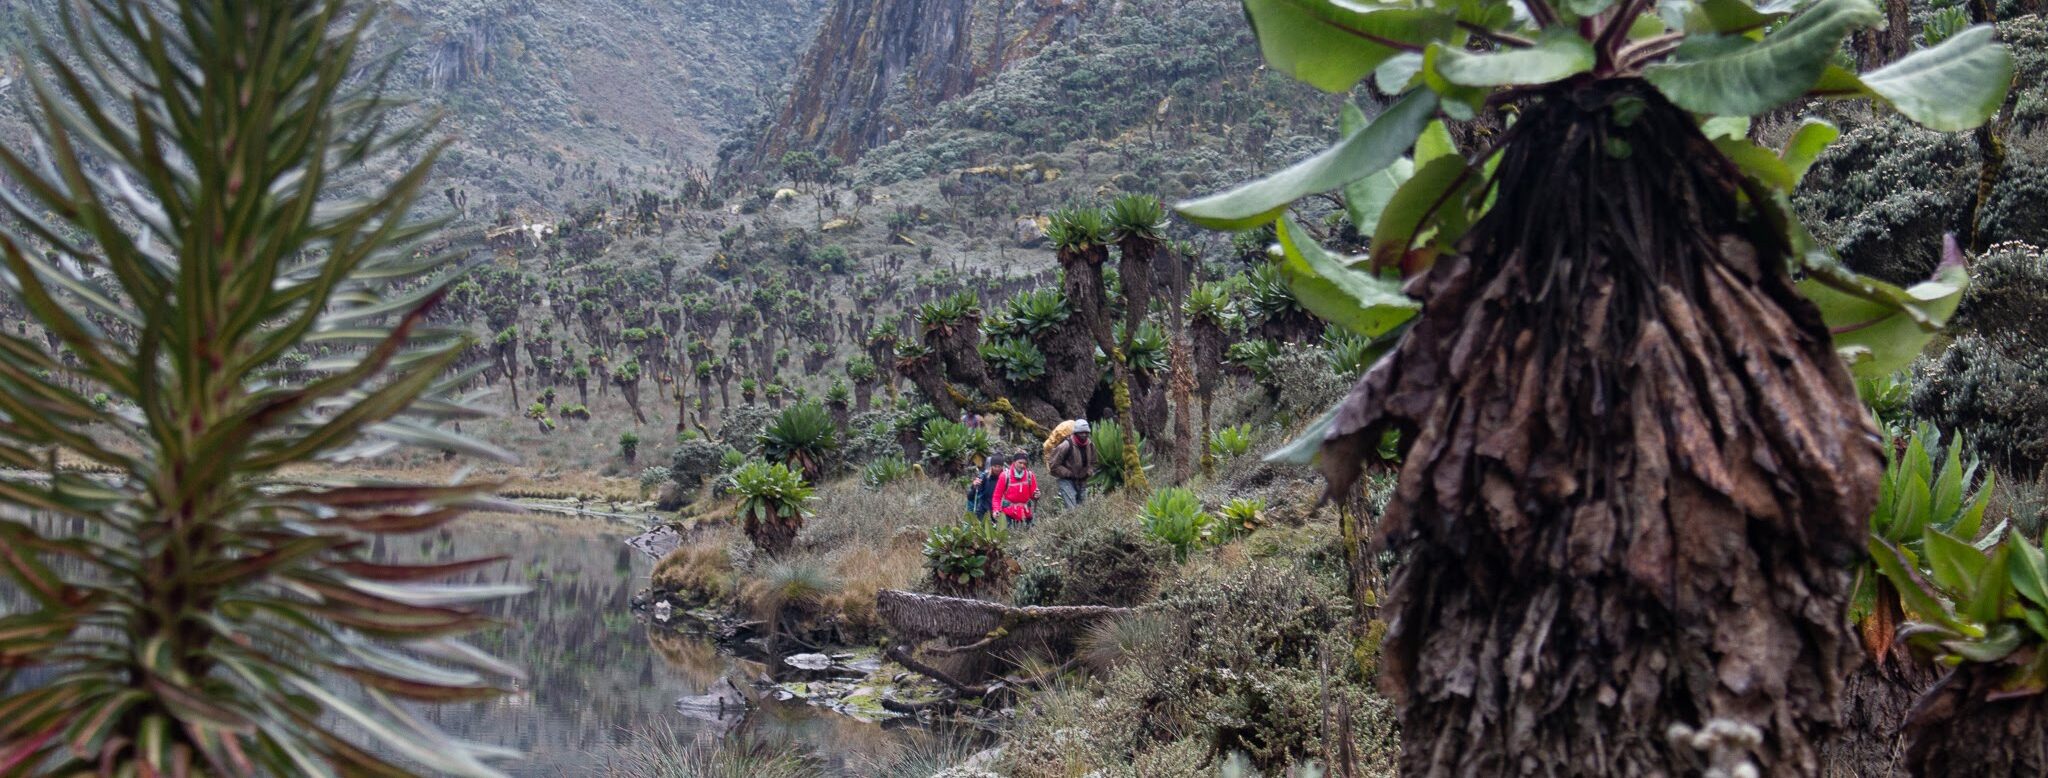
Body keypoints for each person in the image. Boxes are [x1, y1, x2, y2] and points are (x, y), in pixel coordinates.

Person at [1049, 419, 1097, 509]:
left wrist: (1088, 472)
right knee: (1072, 509)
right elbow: (1053, 465)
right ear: (1075, 433)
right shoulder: (1066, 445)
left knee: (1083, 508)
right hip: (1066, 480)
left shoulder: (1090, 445)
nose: (1084, 435)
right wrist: (1070, 474)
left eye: (1086, 432)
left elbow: (1094, 462)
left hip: (1082, 480)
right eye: (1081, 432)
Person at [993, 452, 1039, 526]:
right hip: (1008, 515)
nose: (1022, 465)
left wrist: (1036, 495)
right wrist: (996, 510)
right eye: (1020, 462)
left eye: (1024, 463)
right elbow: (997, 496)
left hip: (1026, 515)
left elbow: (1033, 495)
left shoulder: (1030, 476)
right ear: (1014, 462)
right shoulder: (1005, 476)